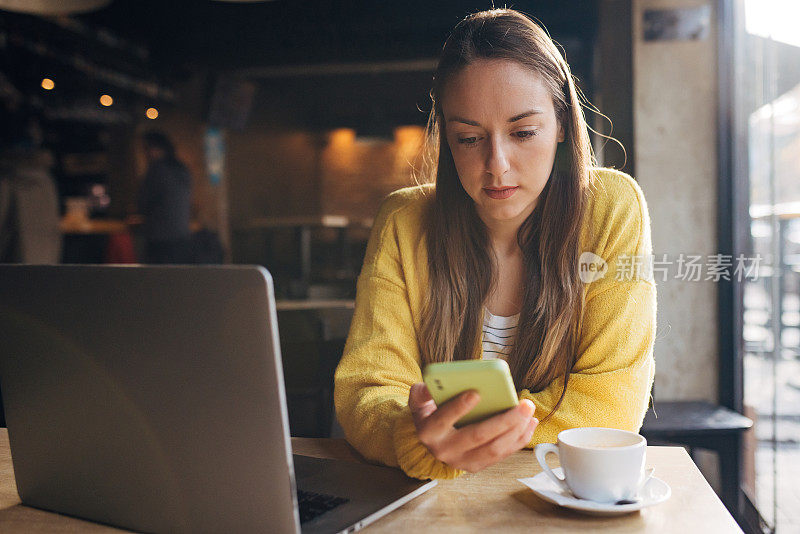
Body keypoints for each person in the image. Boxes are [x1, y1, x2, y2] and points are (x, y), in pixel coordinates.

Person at [334, 9, 656, 480]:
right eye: (468, 138)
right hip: (436, 504)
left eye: (524, 133)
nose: (497, 165)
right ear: (447, 139)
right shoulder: (405, 222)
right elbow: (366, 390)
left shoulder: (610, 207)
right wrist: (415, 437)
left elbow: (611, 401)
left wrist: (452, 436)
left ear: (563, 127)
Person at [137, 131, 192, 264]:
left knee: (157, 279)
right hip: (182, 234)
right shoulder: (182, 169)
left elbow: (142, 202)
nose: (145, 154)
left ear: (157, 148)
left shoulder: (157, 170)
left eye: (146, 148)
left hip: (159, 237)